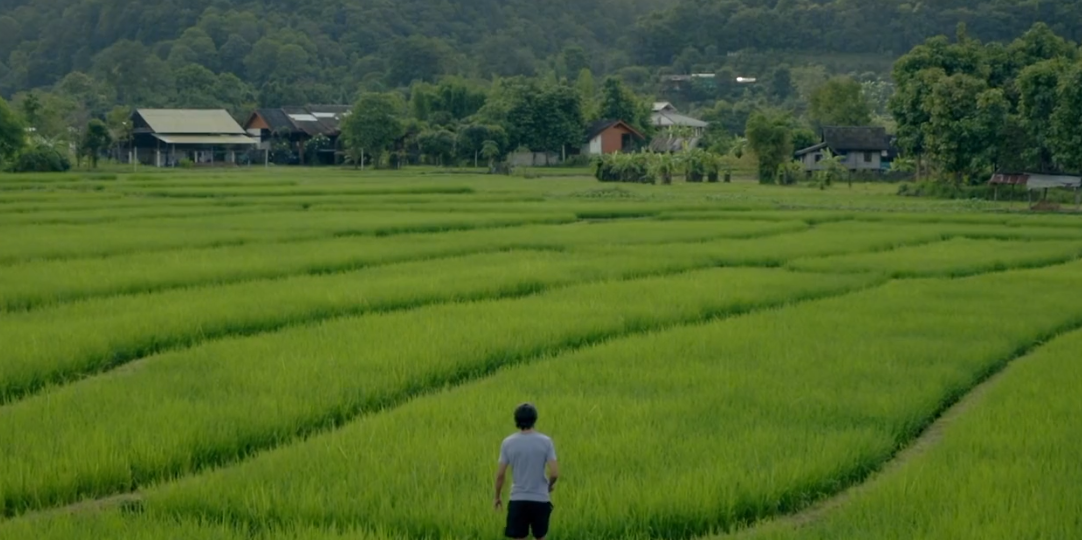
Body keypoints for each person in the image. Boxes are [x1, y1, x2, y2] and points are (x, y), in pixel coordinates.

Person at [494, 403, 559, 540]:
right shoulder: (546, 441)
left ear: (516, 420)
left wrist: (497, 496)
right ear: (534, 419)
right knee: (541, 537)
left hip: (518, 499)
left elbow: (500, 475)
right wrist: (548, 486)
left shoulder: (508, 442)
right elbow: (554, 473)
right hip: (541, 498)